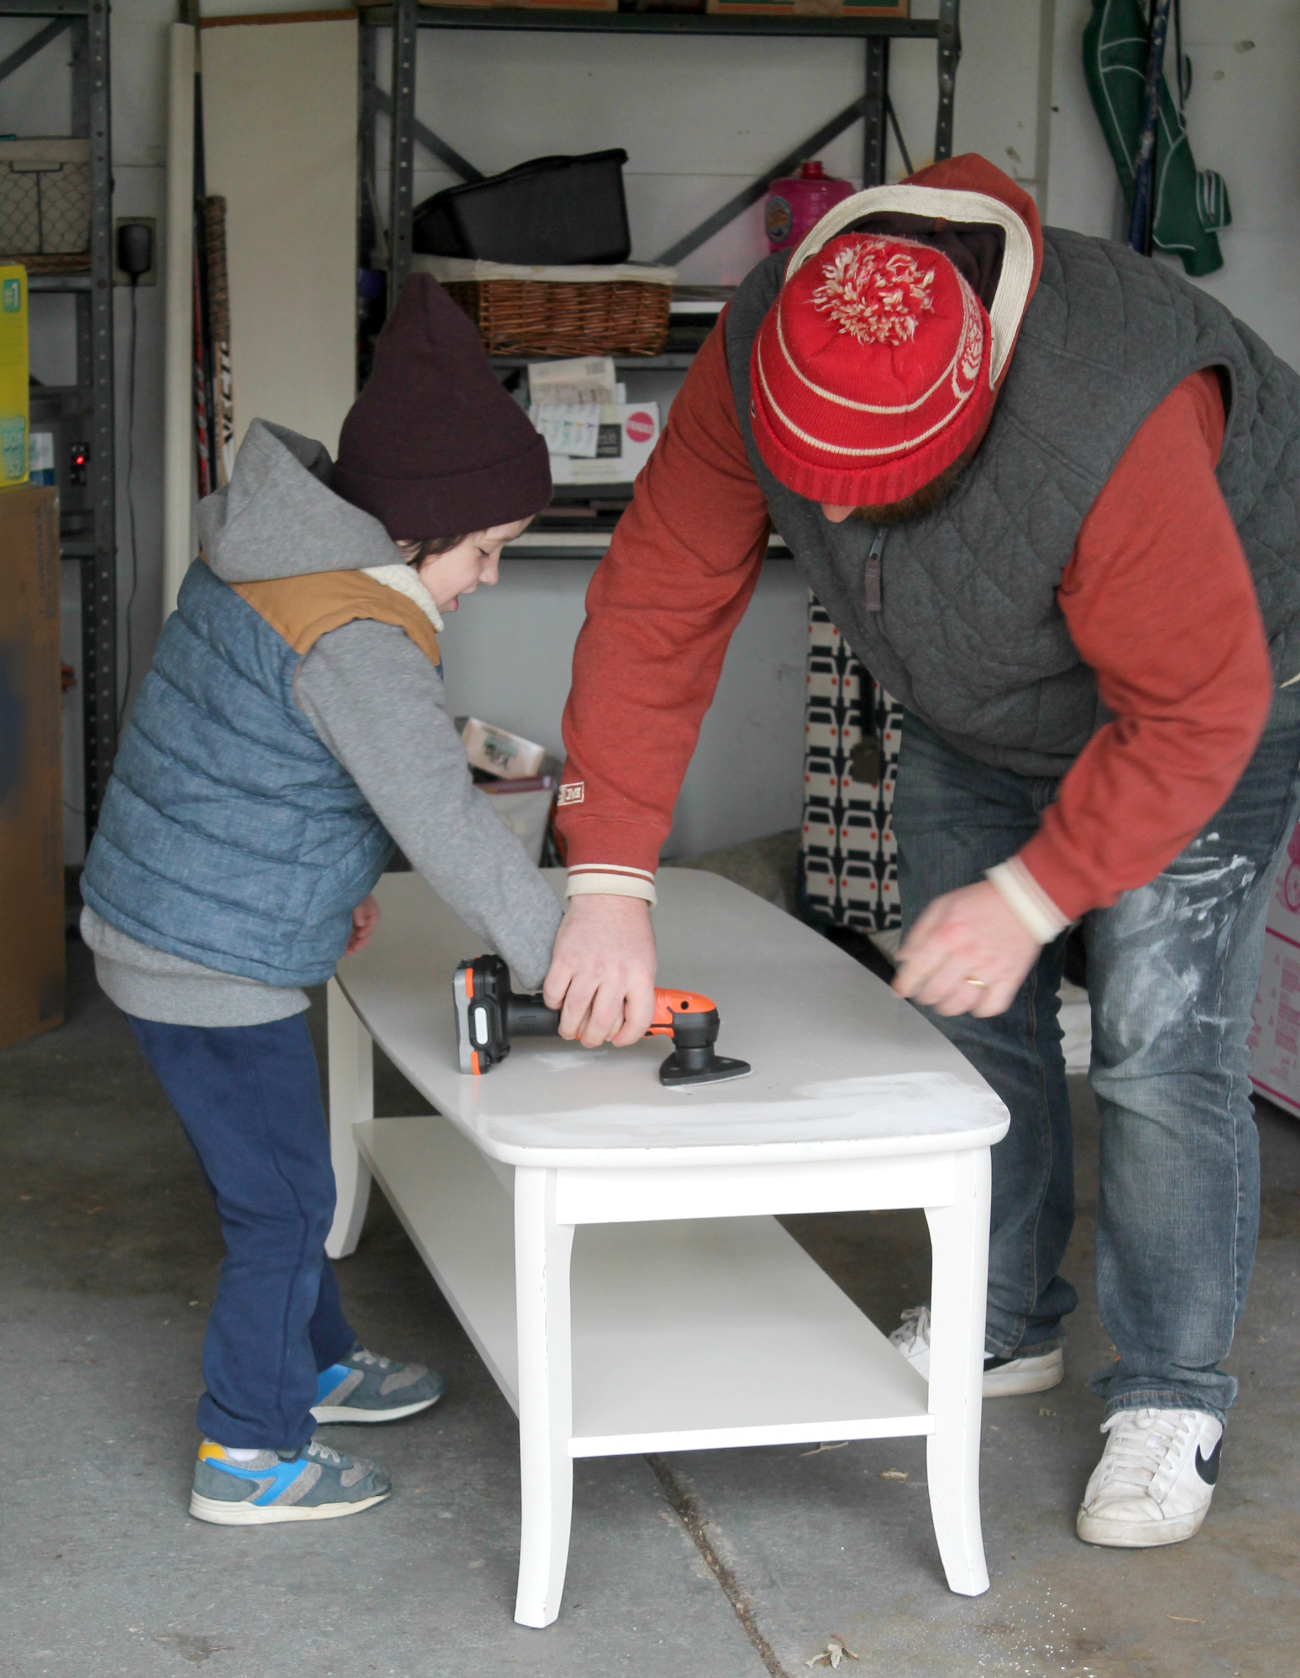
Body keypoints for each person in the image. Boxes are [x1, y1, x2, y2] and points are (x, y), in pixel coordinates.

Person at [541, 154, 1300, 1549]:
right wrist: (607, 875)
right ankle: (1003, 1319)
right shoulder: (770, 336)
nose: (824, 523)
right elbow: (662, 591)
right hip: (978, 693)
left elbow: (1197, 705)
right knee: (968, 1014)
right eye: (807, 491)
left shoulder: (1112, 410)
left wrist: (1037, 890)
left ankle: (1171, 1392)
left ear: (973, 409)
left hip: (1219, 690)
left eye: (863, 491)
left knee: (1152, 1041)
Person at [80, 277, 561, 1524]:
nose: (491, 578)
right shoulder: (357, 633)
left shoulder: (282, 558)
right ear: (413, 533)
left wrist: (334, 886)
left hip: (173, 917)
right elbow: (447, 827)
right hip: (207, 957)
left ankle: (318, 1359)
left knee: (277, 1176)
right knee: (285, 1199)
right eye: (486, 551)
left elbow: (268, 763)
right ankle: (249, 1451)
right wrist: (568, 954)